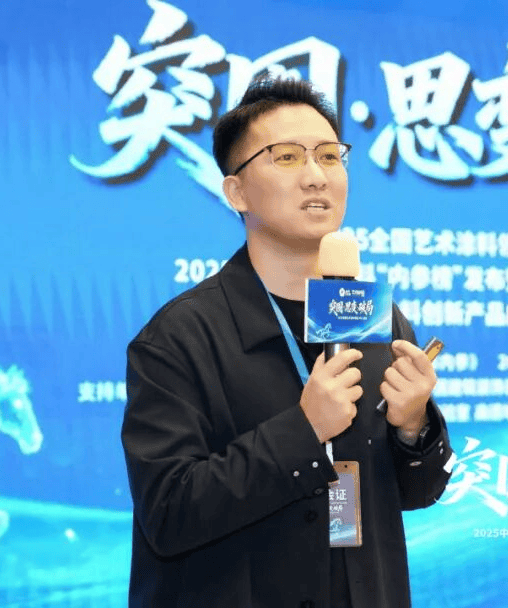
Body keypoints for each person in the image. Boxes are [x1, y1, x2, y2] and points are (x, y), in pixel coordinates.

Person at [121, 76, 453, 608]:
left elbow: (420, 491)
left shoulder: (376, 321)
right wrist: (304, 430)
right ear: (236, 192)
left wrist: (414, 426)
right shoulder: (180, 336)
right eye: (287, 157)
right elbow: (168, 514)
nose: (316, 176)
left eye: (330, 156)